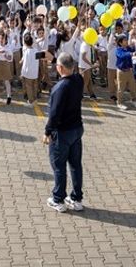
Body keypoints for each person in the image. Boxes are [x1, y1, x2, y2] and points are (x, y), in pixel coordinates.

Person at [43, 52, 85, 213]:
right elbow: (69, 69)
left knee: (59, 166)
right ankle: (76, 198)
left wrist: (47, 132)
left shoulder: (59, 88)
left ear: (59, 68)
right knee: (75, 165)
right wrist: (54, 59)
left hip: (62, 133)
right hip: (76, 129)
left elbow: (54, 114)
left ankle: (58, 199)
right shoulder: (78, 80)